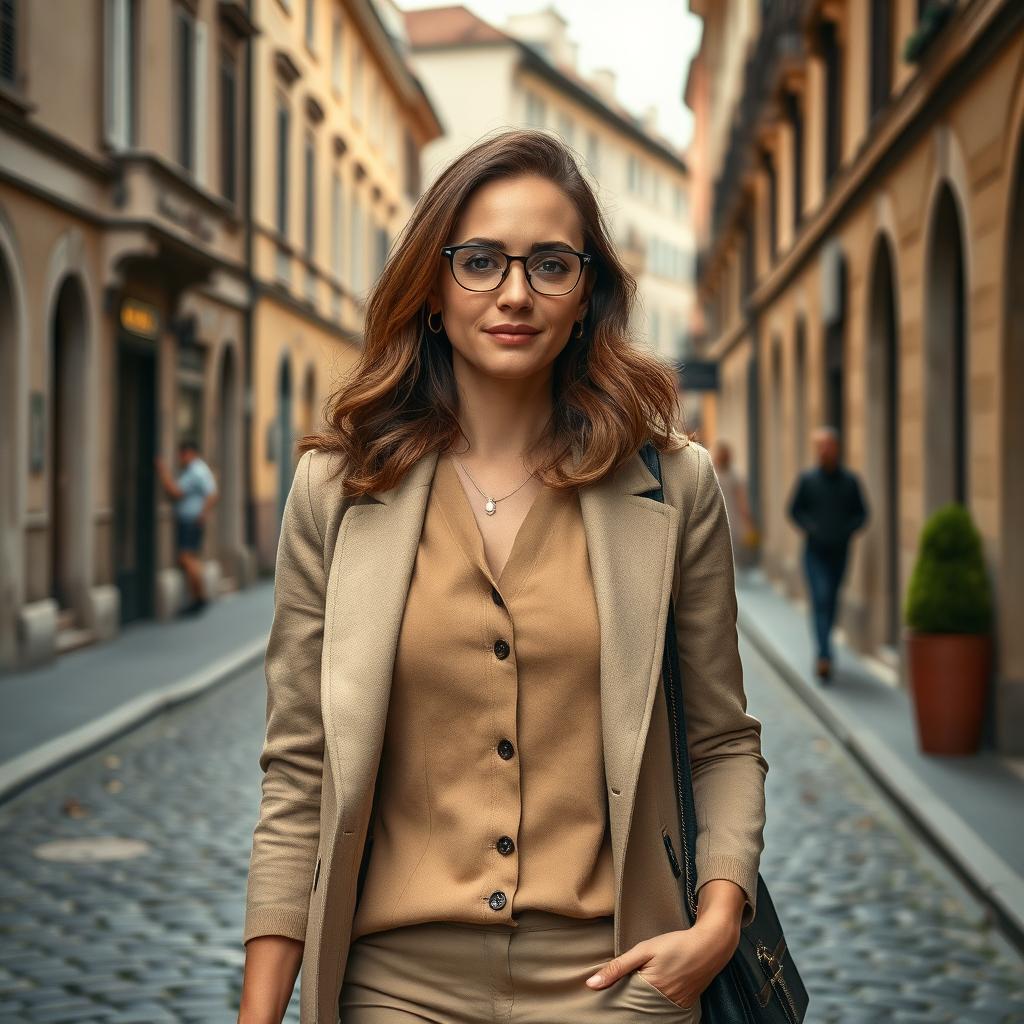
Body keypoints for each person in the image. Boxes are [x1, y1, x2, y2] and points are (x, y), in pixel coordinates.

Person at [238, 129, 768, 1024]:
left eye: (551, 264)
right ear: (434, 288)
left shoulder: (674, 486)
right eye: (480, 260)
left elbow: (721, 741)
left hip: (613, 981)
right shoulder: (336, 489)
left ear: (585, 293)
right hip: (397, 982)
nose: (515, 293)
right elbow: (299, 772)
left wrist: (716, 923)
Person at [787, 426, 868, 682]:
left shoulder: (850, 481)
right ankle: (824, 656)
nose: (824, 451)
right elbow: (793, 510)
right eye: (819, 446)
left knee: (832, 600)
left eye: (828, 446)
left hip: (840, 551)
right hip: (814, 552)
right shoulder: (808, 480)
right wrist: (811, 528)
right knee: (821, 599)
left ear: (837, 448)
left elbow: (862, 513)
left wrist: (847, 530)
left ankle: (825, 651)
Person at [155, 440, 218, 616]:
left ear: (189, 453)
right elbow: (212, 493)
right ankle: (199, 597)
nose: (179, 459)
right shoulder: (199, 469)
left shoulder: (195, 471)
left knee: (186, 558)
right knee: (192, 559)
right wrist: (204, 513)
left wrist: (163, 472)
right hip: (191, 521)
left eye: (181, 455)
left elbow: (176, 492)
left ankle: (199, 599)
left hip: (190, 522)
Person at [711, 440, 754, 569]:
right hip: (726, 516)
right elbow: (742, 500)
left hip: (726, 516)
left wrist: (747, 520)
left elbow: (742, 499)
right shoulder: (727, 472)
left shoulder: (730, 474)